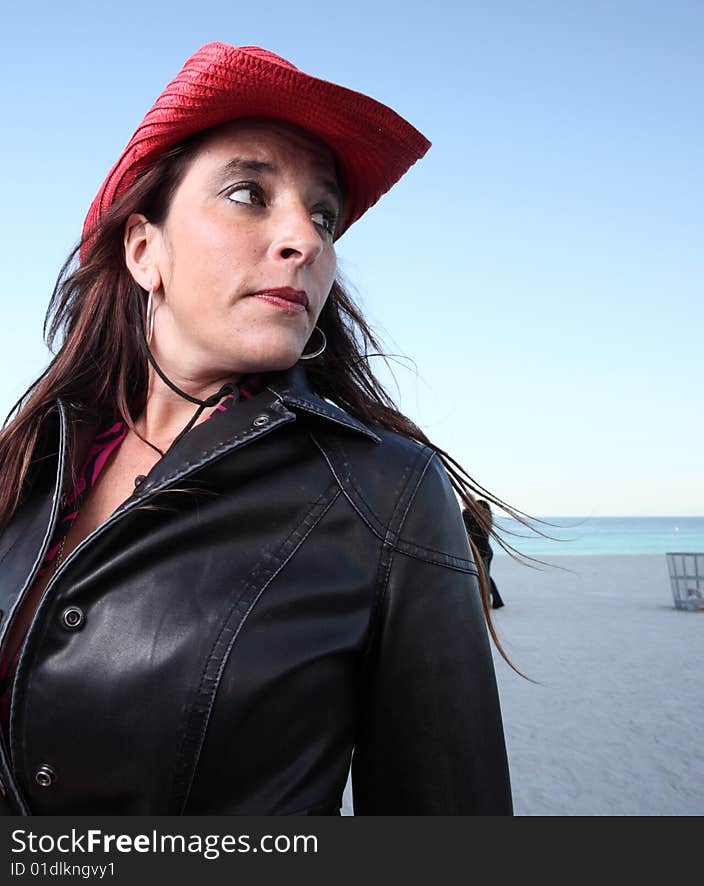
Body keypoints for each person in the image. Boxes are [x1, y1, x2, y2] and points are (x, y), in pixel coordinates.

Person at [0, 43, 513, 815]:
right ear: (144, 250)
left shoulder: (387, 491)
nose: (304, 240)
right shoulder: (31, 462)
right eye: (249, 193)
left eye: (324, 216)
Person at [462, 500, 505, 609]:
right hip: (485, 552)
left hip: (482, 553)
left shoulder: (479, 520)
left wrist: (467, 509)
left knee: (483, 577)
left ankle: (487, 602)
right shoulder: (484, 520)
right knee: (485, 576)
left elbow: (470, 529)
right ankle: (496, 601)